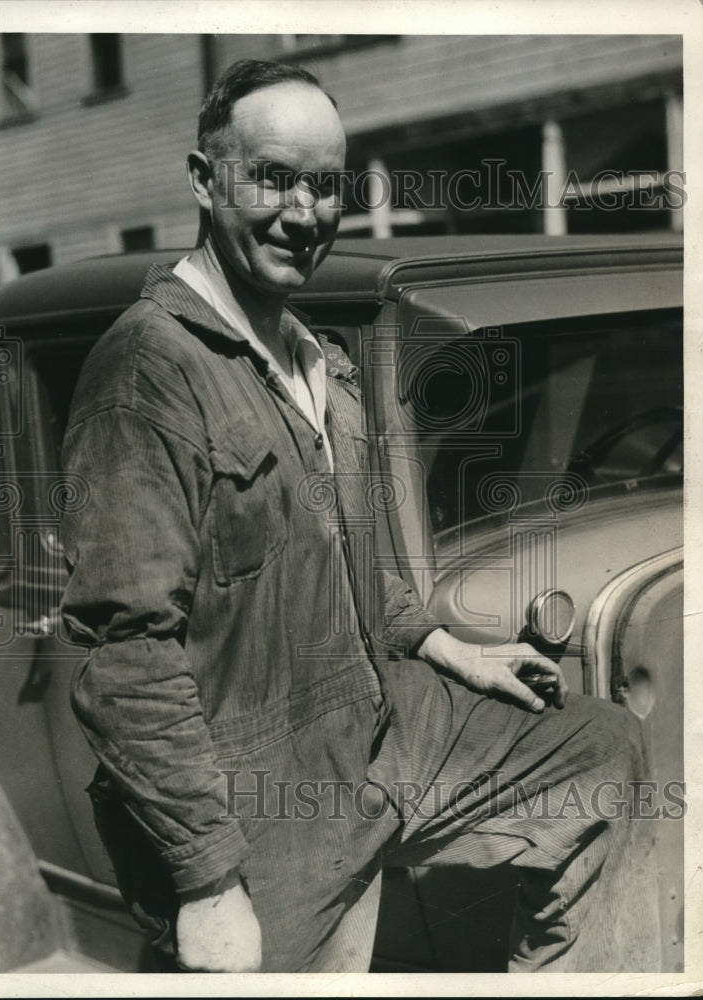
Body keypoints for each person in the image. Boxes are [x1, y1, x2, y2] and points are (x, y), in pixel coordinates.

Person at [61, 58, 659, 974]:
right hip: (249, 785)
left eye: (325, 184)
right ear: (200, 178)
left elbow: (348, 555)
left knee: (599, 751)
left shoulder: (319, 361)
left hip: (376, 727)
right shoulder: (148, 373)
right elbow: (127, 651)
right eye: (272, 177)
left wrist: (442, 645)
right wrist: (207, 881)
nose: (304, 213)